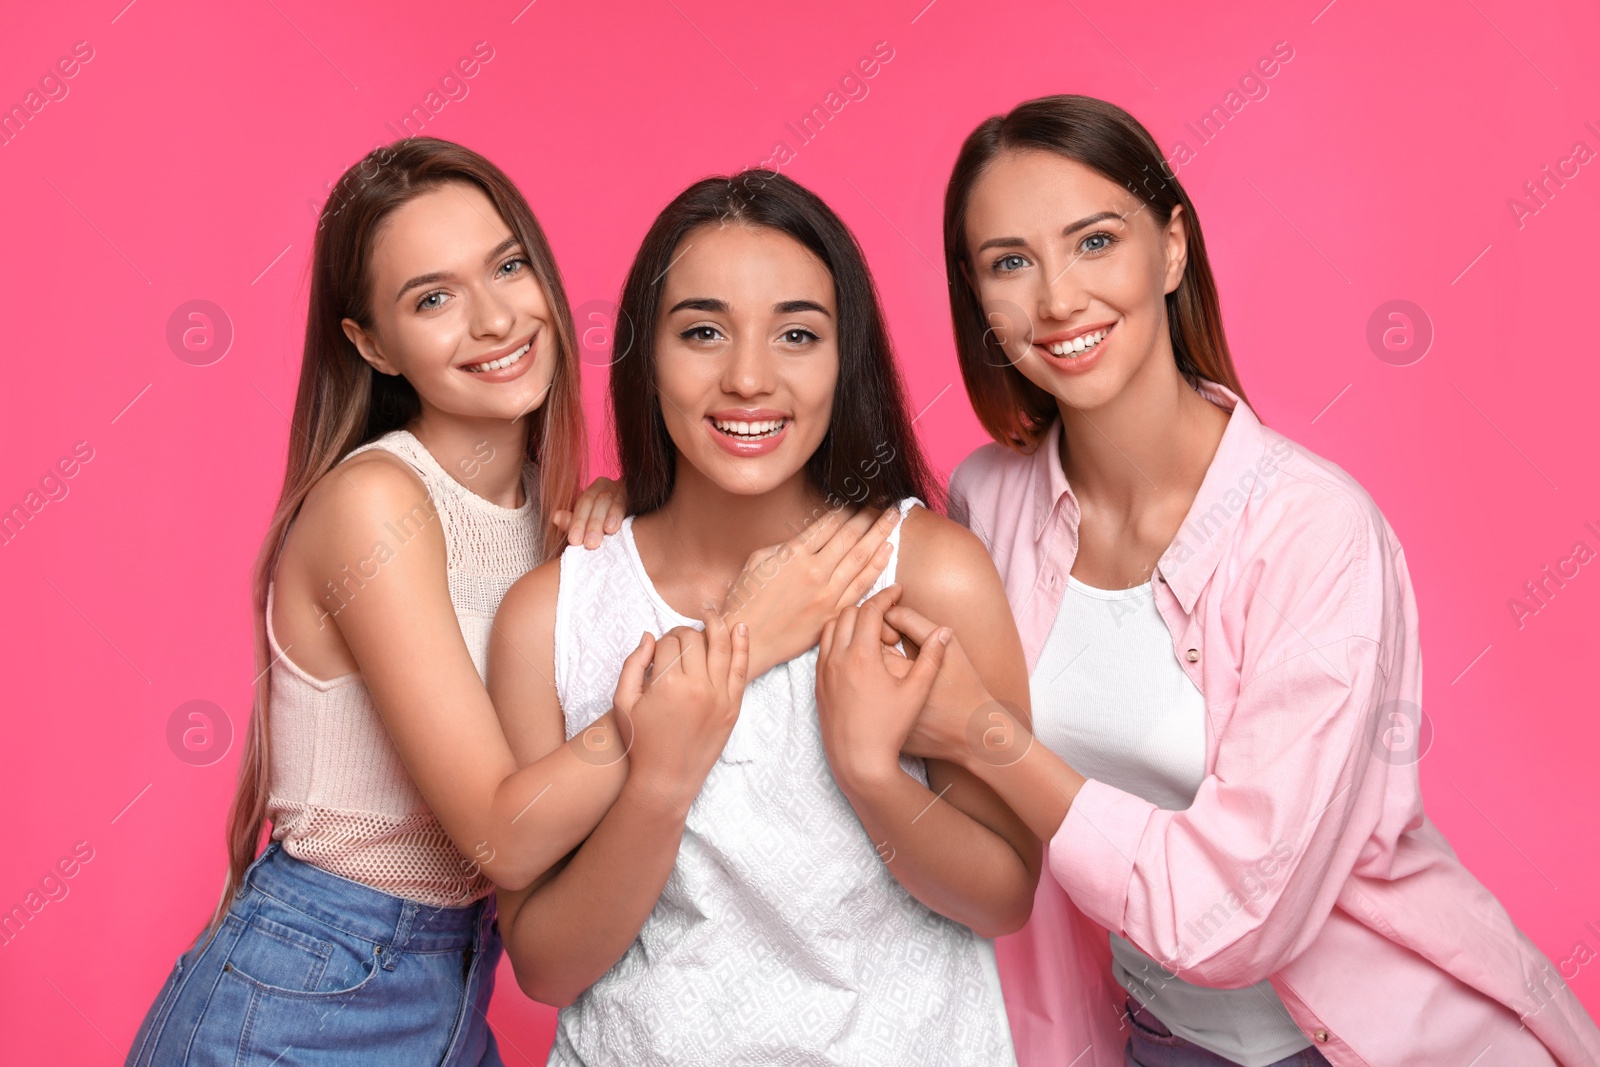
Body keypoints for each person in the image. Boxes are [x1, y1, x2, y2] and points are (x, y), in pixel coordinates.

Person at [866, 93, 1600, 1066]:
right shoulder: (988, 500)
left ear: (1171, 248)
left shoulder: (1313, 532)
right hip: (1156, 1041)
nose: (1054, 299)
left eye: (1093, 241)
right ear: (977, 299)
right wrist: (620, 510)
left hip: (1382, 1043)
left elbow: (1231, 917)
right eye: (1010, 261)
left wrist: (990, 737)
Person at [488, 170, 1040, 1065]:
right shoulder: (552, 613)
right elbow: (545, 966)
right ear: (646, 356)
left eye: (797, 334)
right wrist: (659, 781)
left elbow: (1004, 896)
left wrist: (872, 772)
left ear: (843, 358)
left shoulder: (931, 573)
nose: (748, 377)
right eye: (703, 332)